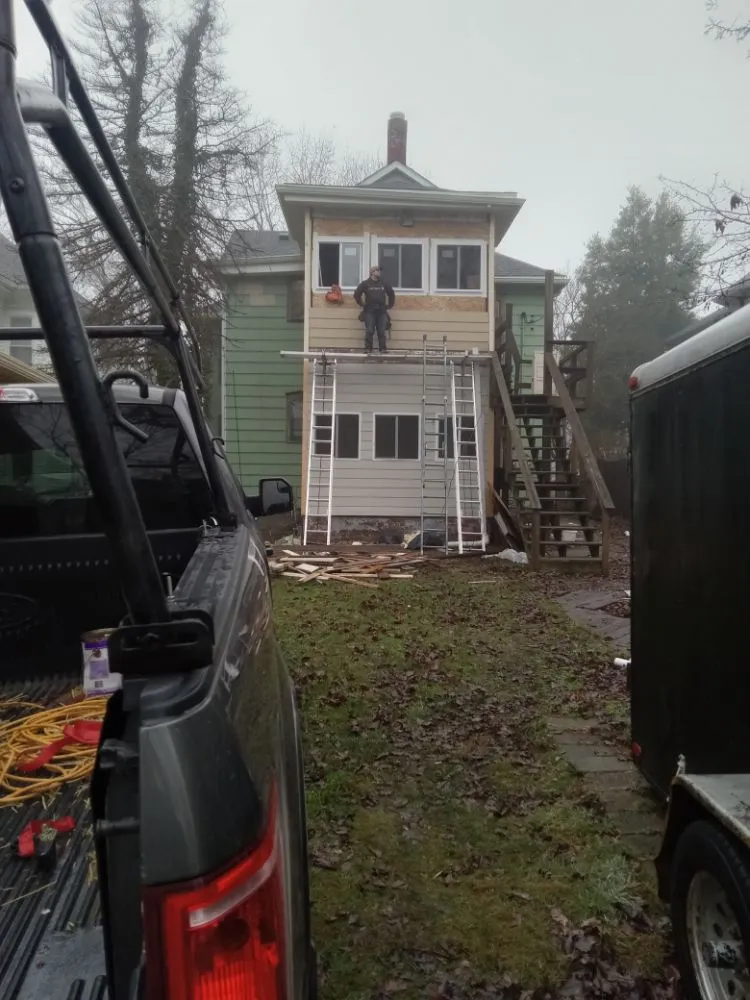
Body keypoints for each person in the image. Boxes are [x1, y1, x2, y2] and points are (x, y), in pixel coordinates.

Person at [354, 265, 395, 353]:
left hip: (381, 311)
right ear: (372, 273)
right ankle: (368, 348)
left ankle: (383, 349)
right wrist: (362, 304)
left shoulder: (384, 283)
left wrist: (390, 305)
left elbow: (391, 294)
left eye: (379, 271)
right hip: (370, 311)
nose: (379, 272)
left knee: (381, 331)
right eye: (377, 270)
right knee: (370, 330)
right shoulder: (365, 283)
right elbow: (356, 294)